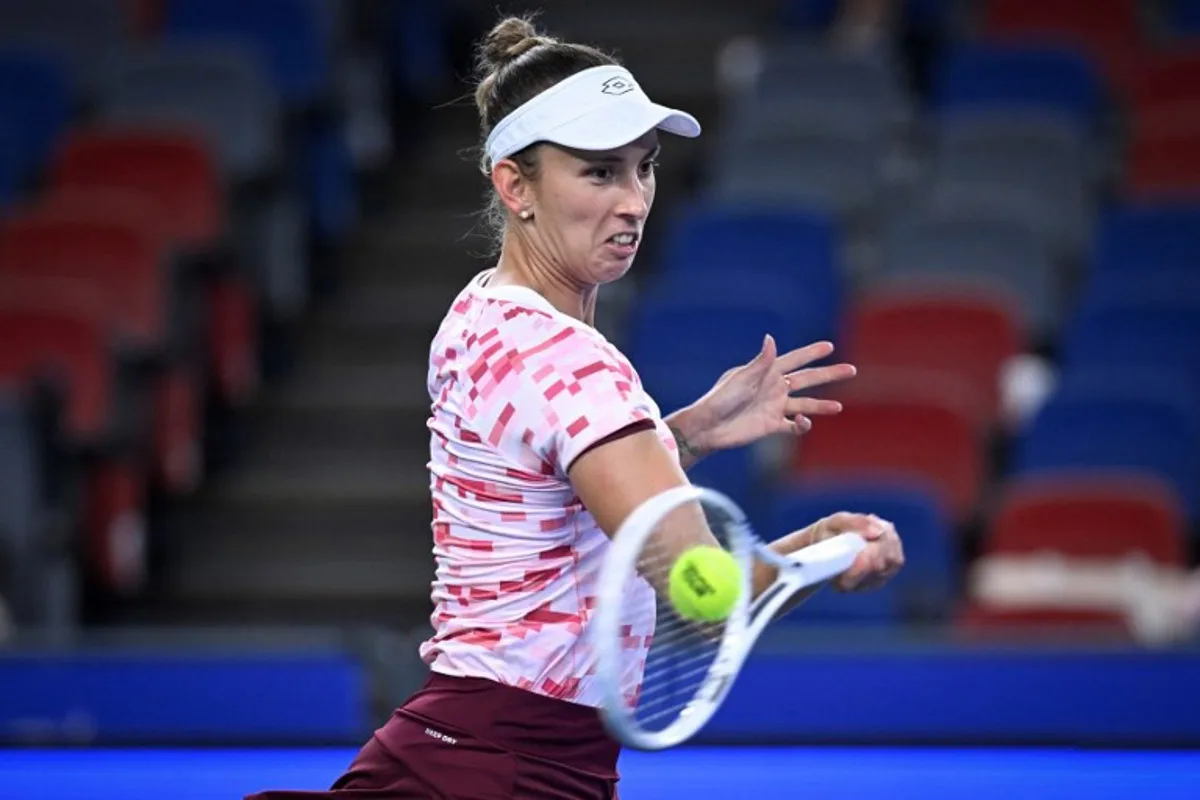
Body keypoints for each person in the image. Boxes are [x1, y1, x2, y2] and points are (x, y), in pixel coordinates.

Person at [246, 14, 904, 800]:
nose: (633, 202)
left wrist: (680, 435)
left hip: (456, 742)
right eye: (599, 173)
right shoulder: (578, 364)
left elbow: (540, 488)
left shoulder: (478, 314)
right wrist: (821, 556)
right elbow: (701, 595)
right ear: (514, 185)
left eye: (645, 168)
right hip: (508, 769)